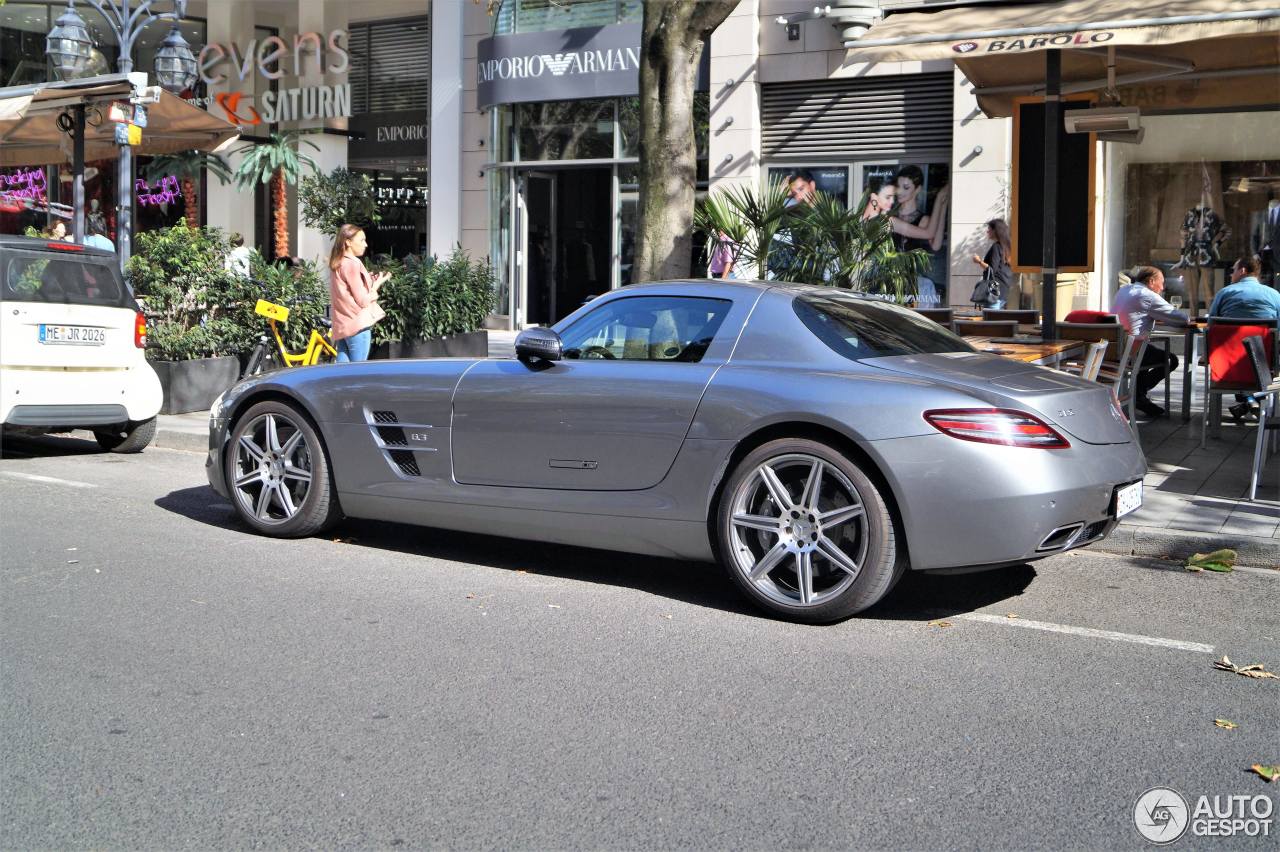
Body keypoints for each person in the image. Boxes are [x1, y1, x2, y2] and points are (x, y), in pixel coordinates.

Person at [1208, 255, 1280, 421]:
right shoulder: (1274, 295)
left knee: (1235, 355)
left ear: (1242, 271)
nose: (1231, 275)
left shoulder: (1225, 293)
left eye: (1233, 270)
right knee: (1252, 362)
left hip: (1227, 362)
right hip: (1265, 360)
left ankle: (1248, 400)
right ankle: (1253, 400)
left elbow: (1211, 325)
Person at [1112, 265, 1191, 418]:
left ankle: (1138, 395)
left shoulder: (1124, 290)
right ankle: (1138, 395)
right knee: (1170, 359)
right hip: (1132, 351)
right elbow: (1182, 318)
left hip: (1116, 348)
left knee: (1146, 351)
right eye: (1161, 283)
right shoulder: (1147, 295)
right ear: (1151, 281)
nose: (1162, 287)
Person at [328, 224, 389, 363]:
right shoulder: (353, 264)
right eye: (361, 240)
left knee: (342, 373)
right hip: (357, 326)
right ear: (348, 242)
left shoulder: (338, 262)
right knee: (356, 373)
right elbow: (363, 300)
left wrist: (368, 280)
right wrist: (376, 286)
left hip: (343, 325)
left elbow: (346, 293)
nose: (366, 245)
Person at [971, 218, 1013, 309]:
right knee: (996, 320)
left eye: (989, 229)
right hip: (1004, 290)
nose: (987, 231)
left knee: (990, 320)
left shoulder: (996, 247)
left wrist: (979, 261)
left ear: (995, 231)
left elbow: (991, 269)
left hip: (993, 292)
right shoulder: (1007, 247)